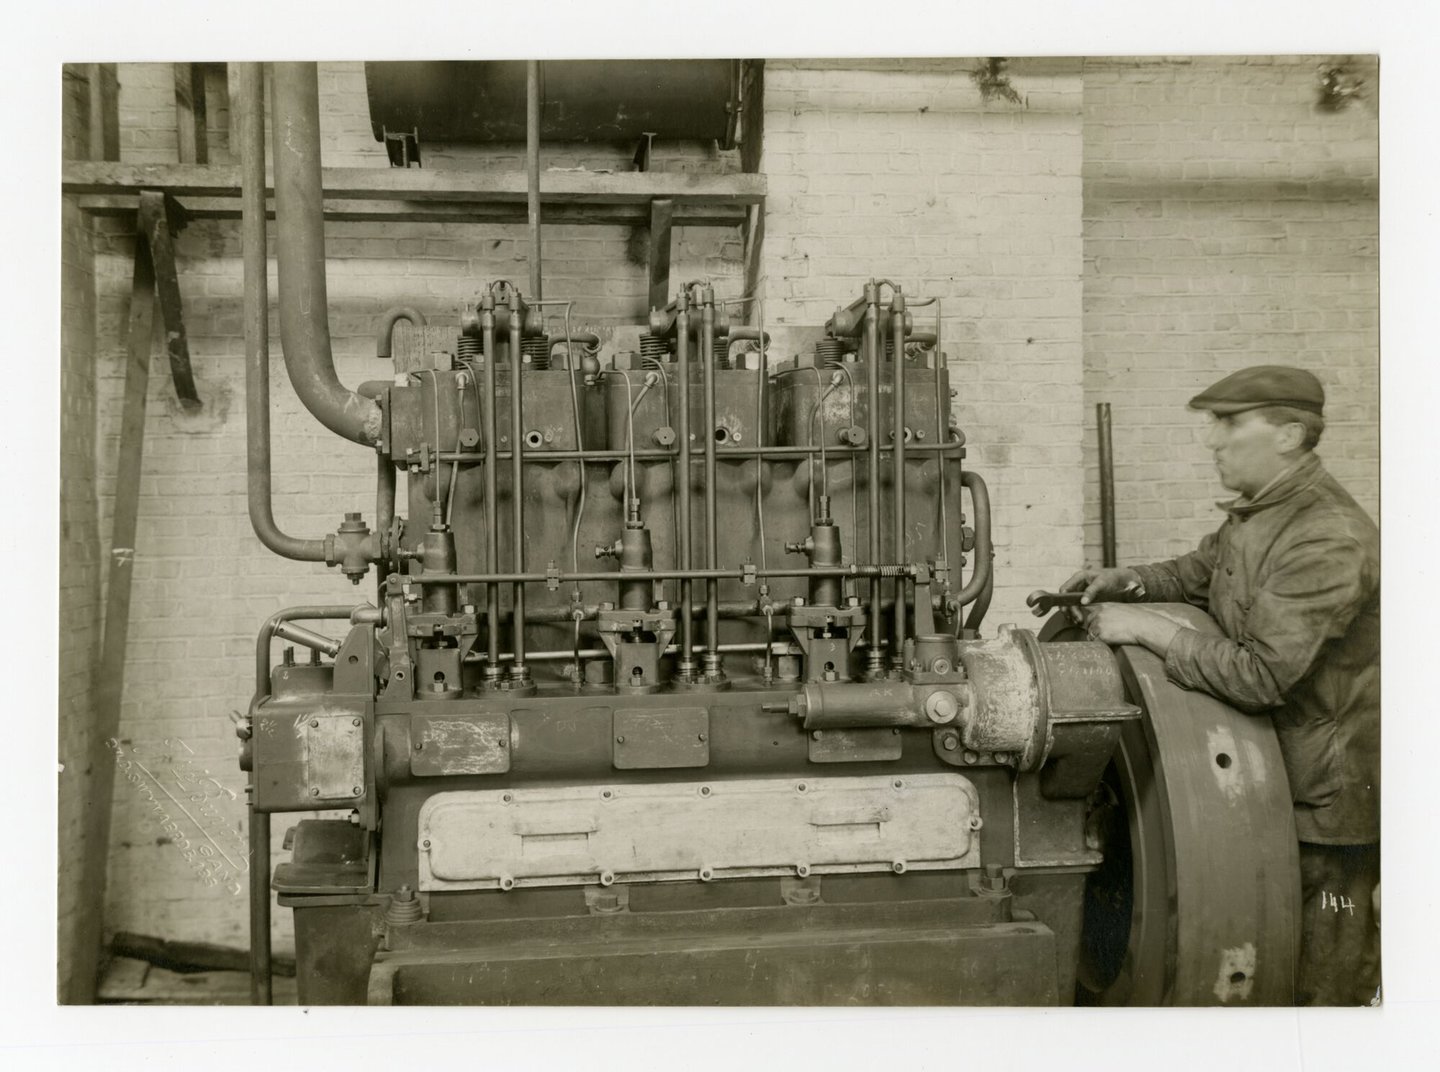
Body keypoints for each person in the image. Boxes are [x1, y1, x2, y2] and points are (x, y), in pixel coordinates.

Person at [1051, 366, 1379, 1006]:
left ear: (1288, 434)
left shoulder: (1325, 537)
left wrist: (1148, 630)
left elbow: (1260, 676)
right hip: (1269, 780)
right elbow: (1199, 572)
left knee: (1320, 988)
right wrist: (1129, 581)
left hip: (1326, 807)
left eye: (1230, 423)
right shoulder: (1261, 516)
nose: (1214, 441)